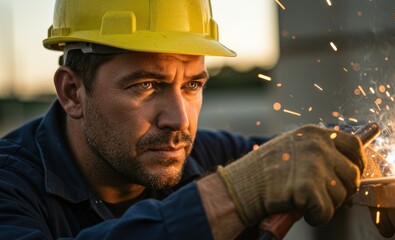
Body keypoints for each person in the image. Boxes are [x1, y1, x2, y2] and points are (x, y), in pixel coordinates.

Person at [0, 0, 367, 239]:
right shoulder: (10, 184)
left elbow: (312, 152)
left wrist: (356, 149)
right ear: (72, 93)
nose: (179, 121)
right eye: (146, 85)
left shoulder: (205, 155)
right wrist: (233, 196)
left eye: (192, 85)